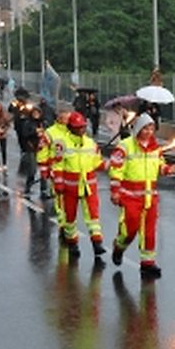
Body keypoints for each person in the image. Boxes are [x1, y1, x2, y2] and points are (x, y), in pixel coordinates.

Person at [108, 113, 175, 278]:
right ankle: (119, 246)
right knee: (129, 230)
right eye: (145, 128)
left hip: (150, 197)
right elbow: (116, 170)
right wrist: (115, 192)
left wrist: (167, 170)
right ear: (138, 129)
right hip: (130, 197)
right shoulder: (125, 146)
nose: (148, 132)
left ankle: (147, 263)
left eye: (151, 128)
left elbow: (160, 164)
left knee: (149, 231)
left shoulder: (155, 147)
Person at [55, 110, 106, 259]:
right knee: (69, 217)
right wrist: (58, 183)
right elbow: (58, 165)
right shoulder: (61, 144)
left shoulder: (90, 143)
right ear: (70, 127)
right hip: (70, 187)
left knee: (93, 216)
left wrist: (108, 164)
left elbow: (97, 162)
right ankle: (72, 243)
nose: (81, 129)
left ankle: (97, 243)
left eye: (83, 126)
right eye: (78, 127)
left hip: (89, 186)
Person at [37, 110, 71, 206]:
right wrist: (44, 168)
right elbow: (42, 150)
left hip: (72, 167)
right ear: (60, 119)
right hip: (56, 167)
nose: (69, 121)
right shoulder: (50, 132)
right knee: (59, 193)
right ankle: (59, 210)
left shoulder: (73, 131)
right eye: (66, 119)